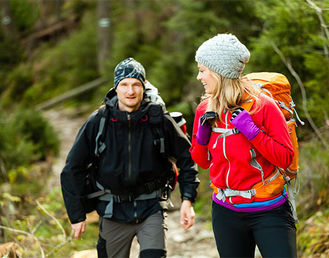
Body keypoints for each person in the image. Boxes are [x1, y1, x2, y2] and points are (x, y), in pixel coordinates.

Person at [61, 57, 199, 258]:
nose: (130, 91)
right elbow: (72, 168)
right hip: (112, 211)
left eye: (136, 84)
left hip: (151, 208)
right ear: (115, 88)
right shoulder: (99, 121)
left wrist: (188, 199)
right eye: (124, 85)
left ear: (144, 87)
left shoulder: (159, 120)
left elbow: (187, 158)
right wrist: (76, 215)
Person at [190, 33, 297, 257]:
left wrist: (252, 132)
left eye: (203, 70)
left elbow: (286, 157)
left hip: (269, 209)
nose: (199, 77)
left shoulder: (263, 106)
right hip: (226, 212)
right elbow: (201, 161)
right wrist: (203, 135)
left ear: (219, 72)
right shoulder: (204, 109)